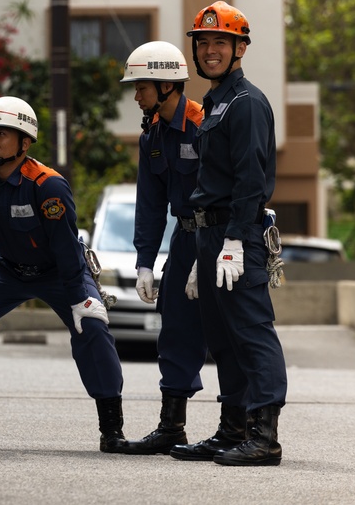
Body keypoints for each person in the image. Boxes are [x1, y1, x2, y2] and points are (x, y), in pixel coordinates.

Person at [0, 96, 135, 454]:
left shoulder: (48, 185)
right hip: (5, 270)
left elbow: (67, 249)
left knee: (92, 328)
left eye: (2, 133)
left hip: (60, 272)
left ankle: (112, 430)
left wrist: (80, 298)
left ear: (25, 142)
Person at [169, 1, 287, 467]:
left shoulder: (247, 103)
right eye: (204, 43)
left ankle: (265, 437)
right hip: (210, 237)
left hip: (235, 236)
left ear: (240, 49)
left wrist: (236, 241)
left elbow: (250, 180)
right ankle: (232, 429)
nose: (211, 50)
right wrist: (206, 249)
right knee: (222, 338)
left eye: (221, 42)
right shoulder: (215, 104)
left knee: (253, 334)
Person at [117, 41, 208, 454]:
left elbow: (224, 194)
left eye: (141, 87)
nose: (136, 95)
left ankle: (244, 426)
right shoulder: (152, 136)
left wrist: (211, 250)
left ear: (167, 86)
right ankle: (172, 427)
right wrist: (144, 264)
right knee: (174, 333)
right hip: (184, 240)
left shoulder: (205, 125)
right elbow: (150, 206)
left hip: (221, 238)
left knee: (230, 335)